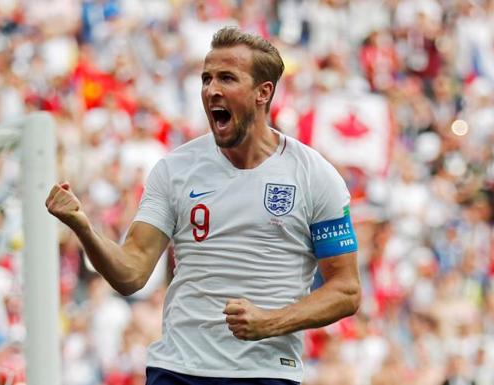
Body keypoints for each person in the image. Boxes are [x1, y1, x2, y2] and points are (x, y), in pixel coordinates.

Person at [46, 26, 361, 385]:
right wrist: (82, 226)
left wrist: (271, 321)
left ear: (263, 92)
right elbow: (131, 273)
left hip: (264, 373)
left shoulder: (314, 175)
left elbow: (346, 291)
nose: (212, 90)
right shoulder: (175, 169)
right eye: (206, 78)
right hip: (179, 370)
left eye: (227, 78)